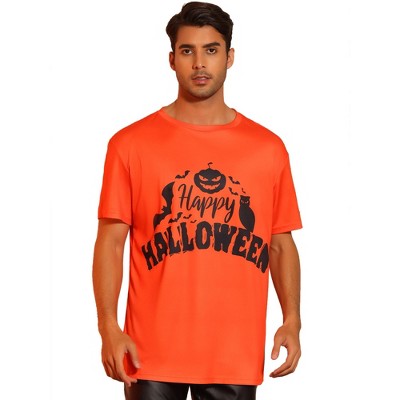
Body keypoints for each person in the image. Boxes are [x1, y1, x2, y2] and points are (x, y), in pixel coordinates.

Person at [92, 2, 302, 399]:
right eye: (187, 50)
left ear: (230, 57)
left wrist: (292, 319)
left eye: (211, 50)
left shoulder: (267, 149)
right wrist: (108, 328)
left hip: (234, 353)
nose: (200, 63)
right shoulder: (130, 145)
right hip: (149, 353)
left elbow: (280, 242)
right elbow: (111, 242)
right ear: (172, 59)